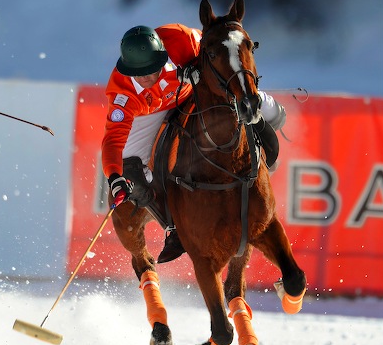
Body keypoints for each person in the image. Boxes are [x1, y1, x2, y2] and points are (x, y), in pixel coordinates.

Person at [101, 24, 286, 264]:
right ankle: (173, 227)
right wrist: (114, 177)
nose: (147, 78)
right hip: (151, 111)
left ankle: (263, 134)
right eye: (140, 74)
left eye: (153, 69)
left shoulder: (183, 39)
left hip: (195, 90)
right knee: (132, 173)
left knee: (264, 110)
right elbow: (113, 140)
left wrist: (196, 70)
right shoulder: (122, 95)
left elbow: (221, 49)